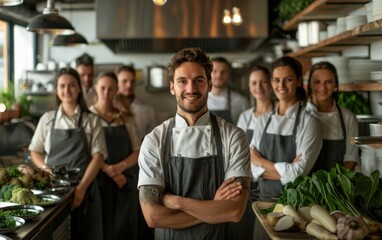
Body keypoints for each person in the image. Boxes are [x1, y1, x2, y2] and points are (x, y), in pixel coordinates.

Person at [137, 47, 252, 240]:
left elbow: (233, 211)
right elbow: (152, 216)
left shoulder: (234, 137)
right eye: (183, 81)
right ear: (172, 87)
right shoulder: (154, 140)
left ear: (209, 84)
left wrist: (177, 202)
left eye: (198, 80)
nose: (191, 89)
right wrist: (213, 207)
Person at [28, 67, 107, 240]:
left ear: (79, 88)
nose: (67, 90)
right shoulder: (47, 119)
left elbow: (98, 156)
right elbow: (35, 151)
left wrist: (81, 188)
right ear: (56, 90)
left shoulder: (91, 119)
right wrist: (45, 168)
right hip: (53, 190)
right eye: (62, 86)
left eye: (71, 85)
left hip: (84, 188)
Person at [250, 56, 322, 239]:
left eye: (288, 79)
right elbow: (250, 168)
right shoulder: (263, 120)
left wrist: (261, 161)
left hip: (297, 209)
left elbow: (298, 174)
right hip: (263, 206)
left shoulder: (309, 122)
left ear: (299, 81)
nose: (280, 85)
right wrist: (286, 170)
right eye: (276, 79)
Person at [89, 72, 141, 240]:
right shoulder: (87, 117)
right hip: (98, 182)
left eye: (111, 88)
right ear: (96, 88)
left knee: (126, 229)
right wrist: (110, 171)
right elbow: (86, 152)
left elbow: (137, 150)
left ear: (116, 90)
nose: (106, 92)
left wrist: (119, 170)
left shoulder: (126, 117)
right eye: (102, 88)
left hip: (126, 181)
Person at [235, 64, 275, 240]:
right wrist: (268, 168)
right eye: (254, 83)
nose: (258, 87)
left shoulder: (281, 115)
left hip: (274, 187)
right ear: (249, 86)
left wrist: (257, 162)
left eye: (263, 82)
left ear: (271, 84)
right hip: (248, 186)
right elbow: (240, 155)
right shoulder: (245, 117)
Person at [307, 61, 359, 171]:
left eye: (328, 82)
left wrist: (335, 185)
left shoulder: (348, 117)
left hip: (337, 185)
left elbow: (351, 159)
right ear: (310, 84)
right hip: (303, 185)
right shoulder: (300, 114)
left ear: (336, 84)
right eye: (317, 82)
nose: (323, 87)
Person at [116, 65, 158, 142]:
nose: (129, 85)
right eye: (124, 81)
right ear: (117, 83)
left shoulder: (147, 110)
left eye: (132, 82)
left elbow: (153, 139)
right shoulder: (109, 108)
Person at [207, 57, 249, 124]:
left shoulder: (241, 101)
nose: (219, 75)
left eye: (223, 72)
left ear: (229, 74)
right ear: (208, 74)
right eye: (215, 71)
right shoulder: (200, 100)